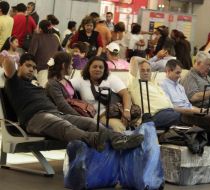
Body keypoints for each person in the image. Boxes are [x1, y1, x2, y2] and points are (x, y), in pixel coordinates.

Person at [0, 52, 144, 152]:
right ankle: (93, 139)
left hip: (55, 114)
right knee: (65, 126)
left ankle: (119, 139)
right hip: (35, 118)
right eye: (28, 66)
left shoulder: (35, 83)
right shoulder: (14, 82)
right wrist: (10, 57)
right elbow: (8, 64)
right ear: (20, 66)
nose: (31, 69)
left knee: (91, 123)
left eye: (34, 67)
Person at [71, 56, 139, 132]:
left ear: (104, 70)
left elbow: (125, 94)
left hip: (118, 111)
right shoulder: (81, 80)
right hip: (101, 114)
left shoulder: (111, 78)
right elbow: (64, 84)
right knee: (119, 127)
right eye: (94, 67)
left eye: (101, 67)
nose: (98, 69)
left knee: (139, 123)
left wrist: (126, 111)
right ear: (88, 68)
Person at [128, 56, 181, 129]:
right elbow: (133, 59)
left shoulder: (154, 83)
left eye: (148, 70)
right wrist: (146, 60)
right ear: (138, 72)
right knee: (185, 118)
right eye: (142, 70)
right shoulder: (135, 84)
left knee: (192, 117)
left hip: (169, 112)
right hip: (153, 117)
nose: (146, 73)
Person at [46, 51, 95, 117]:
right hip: (64, 116)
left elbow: (75, 100)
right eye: (71, 64)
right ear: (63, 65)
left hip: (73, 112)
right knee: (92, 124)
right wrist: (80, 117)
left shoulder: (66, 80)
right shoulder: (52, 84)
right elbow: (62, 106)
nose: (72, 67)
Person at [28, 20, 61, 87]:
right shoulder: (55, 38)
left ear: (40, 29)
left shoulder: (37, 37)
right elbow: (59, 52)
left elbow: (31, 55)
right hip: (53, 71)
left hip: (40, 70)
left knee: (40, 91)